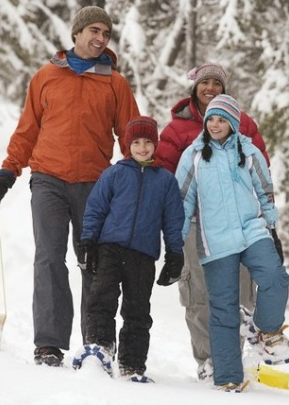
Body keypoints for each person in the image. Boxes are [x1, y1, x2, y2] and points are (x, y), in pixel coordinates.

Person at [0, 6, 140, 367]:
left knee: (93, 263)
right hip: (48, 178)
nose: (100, 38)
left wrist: (137, 178)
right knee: (49, 258)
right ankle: (49, 344)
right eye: (94, 31)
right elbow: (28, 130)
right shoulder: (47, 76)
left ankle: (95, 342)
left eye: (106, 34)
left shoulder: (115, 82)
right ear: (77, 33)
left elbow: (131, 134)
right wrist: (7, 174)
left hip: (96, 183)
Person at [156, 62, 274, 381]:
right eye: (205, 82)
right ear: (194, 88)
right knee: (200, 295)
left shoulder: (243, 123)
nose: (210, 88)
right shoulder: (177, 130)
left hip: (239, 225)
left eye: (217, 83)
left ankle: (236, 357)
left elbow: (260, 167)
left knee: (241, 292)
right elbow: (165, 177)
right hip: (195, 224)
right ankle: (209, 360)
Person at [175, 94, 289, 392]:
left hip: (251, 231)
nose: (215, 125)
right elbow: (182, 200)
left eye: (221, 120)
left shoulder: (249, 151)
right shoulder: (193, 155)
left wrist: (272, 229)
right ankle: (228, 377)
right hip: (215, 238)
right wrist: (175, 245)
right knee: (223, 307)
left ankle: (267, 332)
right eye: (211, 120)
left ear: (232, 123)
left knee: (275, 278)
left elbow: (265, 190)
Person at [73, 116, 185, 383]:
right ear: (128, 144)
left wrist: (175, 254)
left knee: (137, 310)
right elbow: (96, 209)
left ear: (155, 144)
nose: (143, 147)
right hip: (110, 248)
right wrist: (88, 241)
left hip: (143, 254)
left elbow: (173, 222)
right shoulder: (114, 173)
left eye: (148, 142)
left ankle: (131, 364)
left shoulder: (166, 181)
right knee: (101, 299)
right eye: (137, 142)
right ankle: (100, 348)